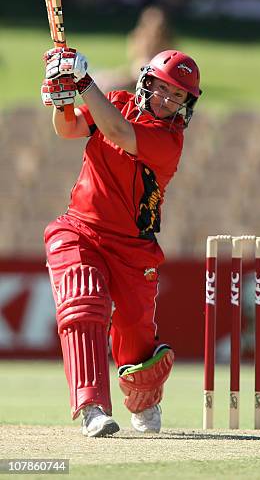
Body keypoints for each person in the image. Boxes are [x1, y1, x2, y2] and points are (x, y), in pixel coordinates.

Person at [40, 46, 201, 437]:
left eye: (176, 95)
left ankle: (144, 400)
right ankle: (92, 406)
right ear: (146, 81)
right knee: (83, 303)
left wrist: (81, 80)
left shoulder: (168, 140)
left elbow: (117, 131)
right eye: (161, 88)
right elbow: (69, 128)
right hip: (79, 228)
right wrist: (61, 100)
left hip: (133, 249)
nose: (166, 99)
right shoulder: (115, 101)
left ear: (185, 104)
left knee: (136, 337)